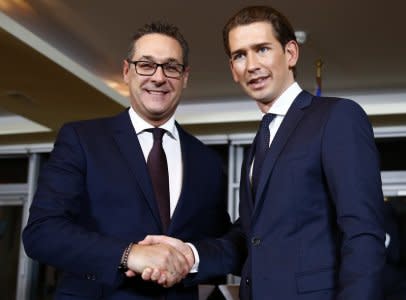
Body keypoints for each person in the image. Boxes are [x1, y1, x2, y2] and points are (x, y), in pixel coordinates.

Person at [22, 21, 244, 299]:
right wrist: (129, 254)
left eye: (171, 67)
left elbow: (220, 248)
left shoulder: (207, 162)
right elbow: (42, 233)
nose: (159, 77)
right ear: (127, 71)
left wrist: (192, 259)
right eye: (146, 65)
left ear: (185, 77)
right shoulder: (82, 139)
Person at [221, 5, 386, 300]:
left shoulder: (337, 117)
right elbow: (255, 236)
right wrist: (188, 255)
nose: (251, 65)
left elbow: (363, 234)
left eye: (262, 49)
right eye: (239, 55)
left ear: (291, 53)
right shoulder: (260, 140)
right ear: (233, 69)